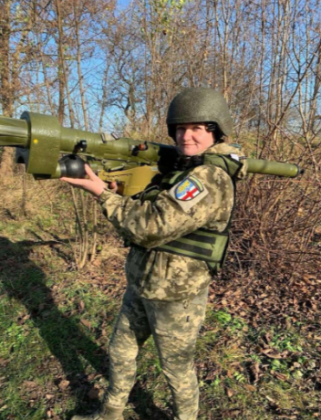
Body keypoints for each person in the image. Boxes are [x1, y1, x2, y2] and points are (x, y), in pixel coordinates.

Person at [63, 88, 247, 420]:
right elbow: (150, 205)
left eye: (197, 128)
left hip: (177, 296)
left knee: (176, 370)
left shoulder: (209, 177)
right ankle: (110, 413)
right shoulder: (183, 167)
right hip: (144, 283)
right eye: (179, 128)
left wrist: (101, 194)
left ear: (215, 131)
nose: (186, 136)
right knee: (120, 352)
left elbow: (148, 227)